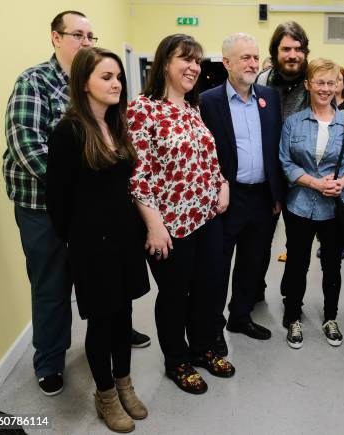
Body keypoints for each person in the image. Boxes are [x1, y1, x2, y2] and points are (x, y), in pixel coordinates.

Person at [46, 47, 149, 433]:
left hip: (124, 238)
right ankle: (105, 394)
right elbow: (56, 202)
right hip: (91, 244)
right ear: (84, 83)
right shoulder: (69, 132)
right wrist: (77, 242)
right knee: (102, 322)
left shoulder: (118, 125)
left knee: (124, 318)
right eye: (106, 77)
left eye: (118, 77)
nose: (116, 84)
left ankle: (124, 382)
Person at [128, 34, 235, 395]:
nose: (193, 67)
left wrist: (222, 184)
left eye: (197, 60)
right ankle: (177, 361)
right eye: (184, 59)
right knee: (175, 296)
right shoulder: (142, 108)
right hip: (170, 225)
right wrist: (154, 225)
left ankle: (204, 347)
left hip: (207, 218)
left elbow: (208, 157)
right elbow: (137, 174)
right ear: (164, 63)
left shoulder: (192, 107)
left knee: (208, 288)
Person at [2, 10, 91, 396]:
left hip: (87, 206)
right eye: (78, 35)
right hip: (41, 206)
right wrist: (76, 189)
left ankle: (107, 340)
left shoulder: (92, 84)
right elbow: (27, 147)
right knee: (52, 286)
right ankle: (50, 361)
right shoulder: (34, 82)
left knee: (98, 277)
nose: (87, 42)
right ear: (55, 38)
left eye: (91, 36)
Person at [199, 33, 284, 353]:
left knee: (252, 261)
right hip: (226, 198)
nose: (252, 63)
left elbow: (274, 146)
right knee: (217, 266)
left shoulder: (269, 97)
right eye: (244, 57)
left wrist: (277, 193)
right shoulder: (208, 101)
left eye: (254, 57)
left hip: (262, 197)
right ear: (227, 63)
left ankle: (240, 316)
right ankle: (214, 327)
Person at [279, 58, 344, 349]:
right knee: (297, 264)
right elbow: (285, 162)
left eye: (332, 82)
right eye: (320, 82)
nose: (326, 88)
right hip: (300, 206)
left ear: (338, 86)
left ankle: (331, 317)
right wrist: (314, 182)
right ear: (308, 84)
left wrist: (343, 183)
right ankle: (293, 317)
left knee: (332, 265)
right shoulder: (293, 122)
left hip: (335, 209)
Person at [255, 21, 311, 284]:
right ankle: (254, 290)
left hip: (303, 178)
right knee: (259, 242)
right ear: (275, 52)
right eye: (286, 48)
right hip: (266, 177)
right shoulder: (261, 81)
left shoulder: (314, 81)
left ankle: (292, 301)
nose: (292, 55)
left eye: (298, 49)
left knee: (298, 246)